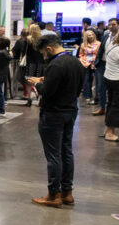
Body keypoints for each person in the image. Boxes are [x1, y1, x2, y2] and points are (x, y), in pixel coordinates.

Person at [24, 34, 85, 207]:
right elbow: (72, 86)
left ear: (49, 49)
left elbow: (48, 91)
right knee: (66, 152)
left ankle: (53, 195)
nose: (43, 56)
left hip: (53, 114)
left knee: (53, 156)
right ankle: (67, 192)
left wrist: (37, 83)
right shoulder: (77, 62)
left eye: (43, 53)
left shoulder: (55, 64)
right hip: (70, 111)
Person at [93, 18, 119, 116]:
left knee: (113, 87)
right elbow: (101, 50)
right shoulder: (106, 36)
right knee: (101, 87)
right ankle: (101, 107)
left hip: (115, 65)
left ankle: (113, 108)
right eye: (109, 24)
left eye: (113, 24)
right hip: (102, 64)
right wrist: (96, 62)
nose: (111, 26)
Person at [78, 29, 101, 104]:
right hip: (86, 63)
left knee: (98, 81)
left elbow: (99, 54)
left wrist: (94, 62)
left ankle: (98, 96)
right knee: (86, 80)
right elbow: (81, 55)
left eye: (92, 35)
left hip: (96, 63)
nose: (90, 37)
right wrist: (84, 62)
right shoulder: (83, 45)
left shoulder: (98, 44)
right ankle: (88, 96)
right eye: (89, 35)